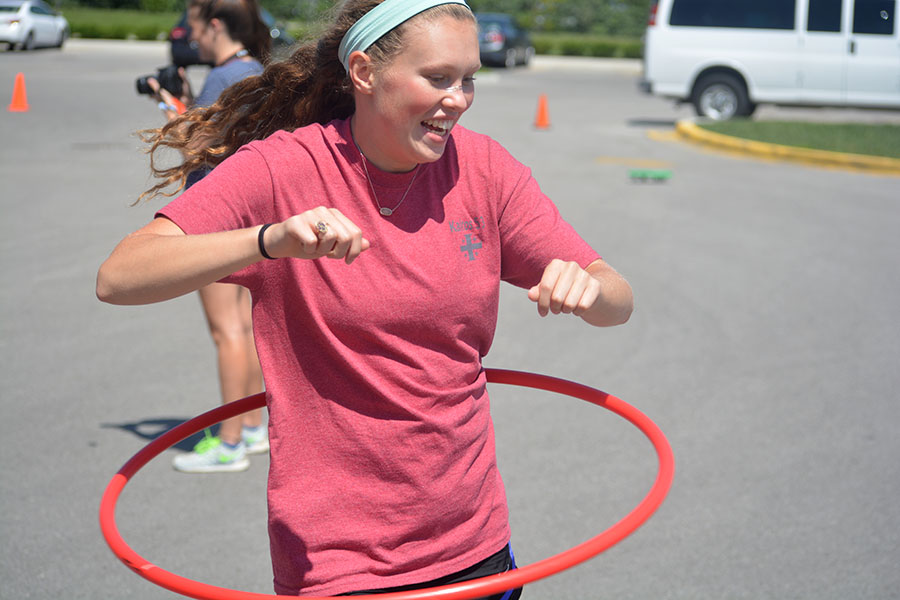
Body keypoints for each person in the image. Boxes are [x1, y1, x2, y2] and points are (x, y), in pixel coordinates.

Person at [97, 0, 633, 596]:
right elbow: (119, 276)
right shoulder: (283, 169)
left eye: (468, 79)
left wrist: (590, 290)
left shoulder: (484, 170)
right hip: (340, 560)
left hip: (475, 542)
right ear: (364, 72)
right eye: (437, 78)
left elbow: (616, 296)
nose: (458, 98)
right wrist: (268, 241)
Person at [147, 0, 273, 473]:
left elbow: (191, 145)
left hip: (215, 220)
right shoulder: (256, 70)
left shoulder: (222, 79)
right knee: (245, 327)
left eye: (194, 26)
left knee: (227, 333)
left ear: (215, 25)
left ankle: (230, 441)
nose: (191, 37)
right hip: (252, 217)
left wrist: (167, 103)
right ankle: (257, 426)